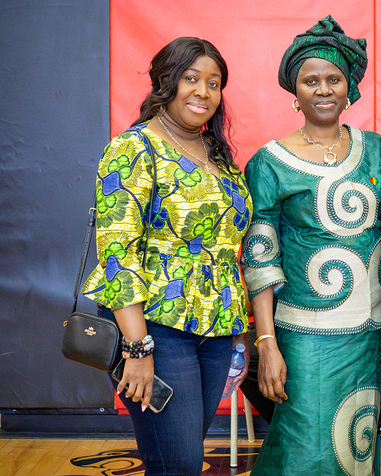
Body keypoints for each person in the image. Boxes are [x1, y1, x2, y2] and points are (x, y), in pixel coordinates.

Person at [81, 37, 252, 475]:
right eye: (191, 78)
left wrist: (238, 334)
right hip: (155, 329)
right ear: (165, 81)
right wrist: (137, 349)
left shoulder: (218, 155)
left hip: (214, 331)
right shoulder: (133, 149)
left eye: (214, 83)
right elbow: (117, 255)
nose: (203, 92)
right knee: (179, 464)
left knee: (180, 457)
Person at [241, 15, 381, 475]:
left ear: (350, 89)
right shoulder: (270, 162)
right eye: (311, 81)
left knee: (361, 448)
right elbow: (259, 258)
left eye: (334, 79)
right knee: (305, 449)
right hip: (302, 335)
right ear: (295, 92)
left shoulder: (378, 149)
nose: (323, 89)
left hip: (373, 333)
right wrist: (266, 343)